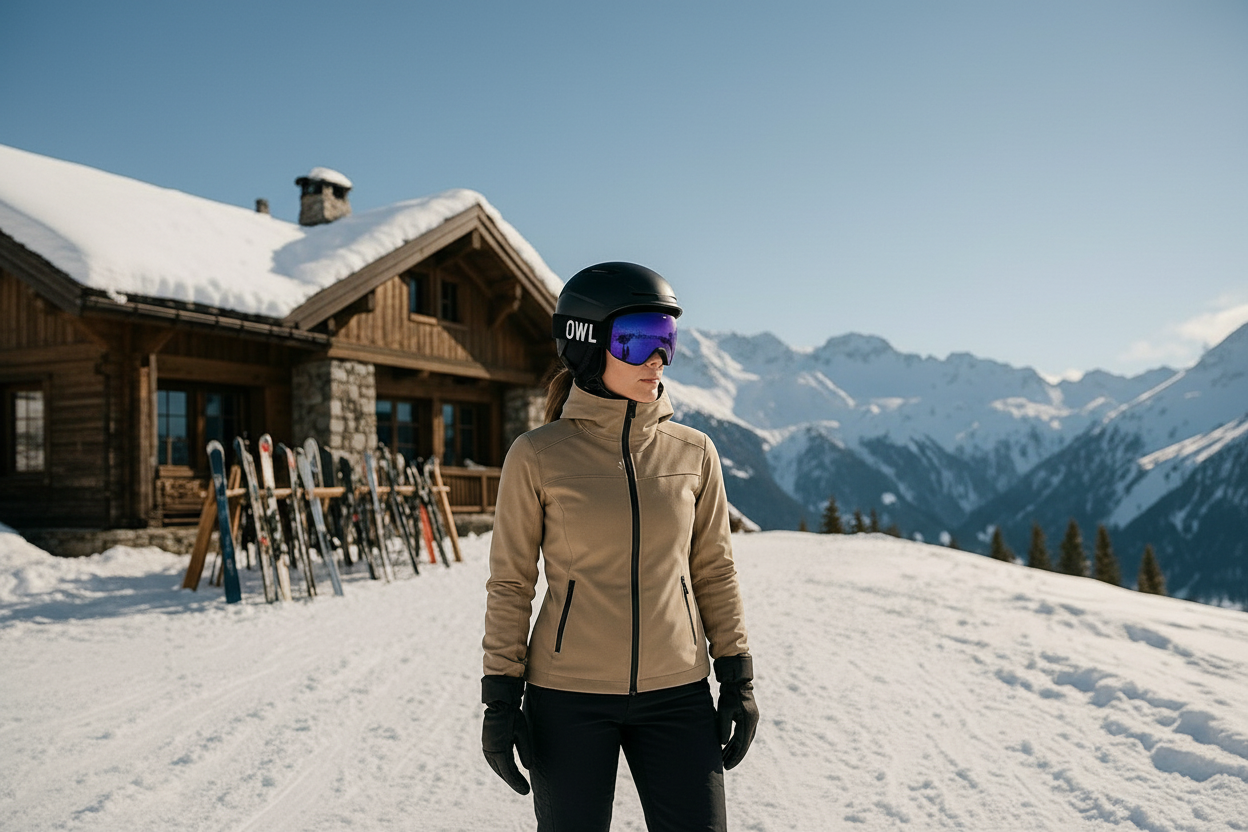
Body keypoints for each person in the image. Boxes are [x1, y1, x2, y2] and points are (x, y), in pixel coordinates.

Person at [481, 262, 759, 832]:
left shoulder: (693, 451)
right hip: (569, 698)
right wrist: (501, 697)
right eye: (638, 341)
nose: (657, 359)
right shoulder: (538, 456)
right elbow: (511, 582)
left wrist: (737, 676)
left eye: (667, 340)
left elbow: (714, 570)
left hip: (678, 692)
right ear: (585, 345)